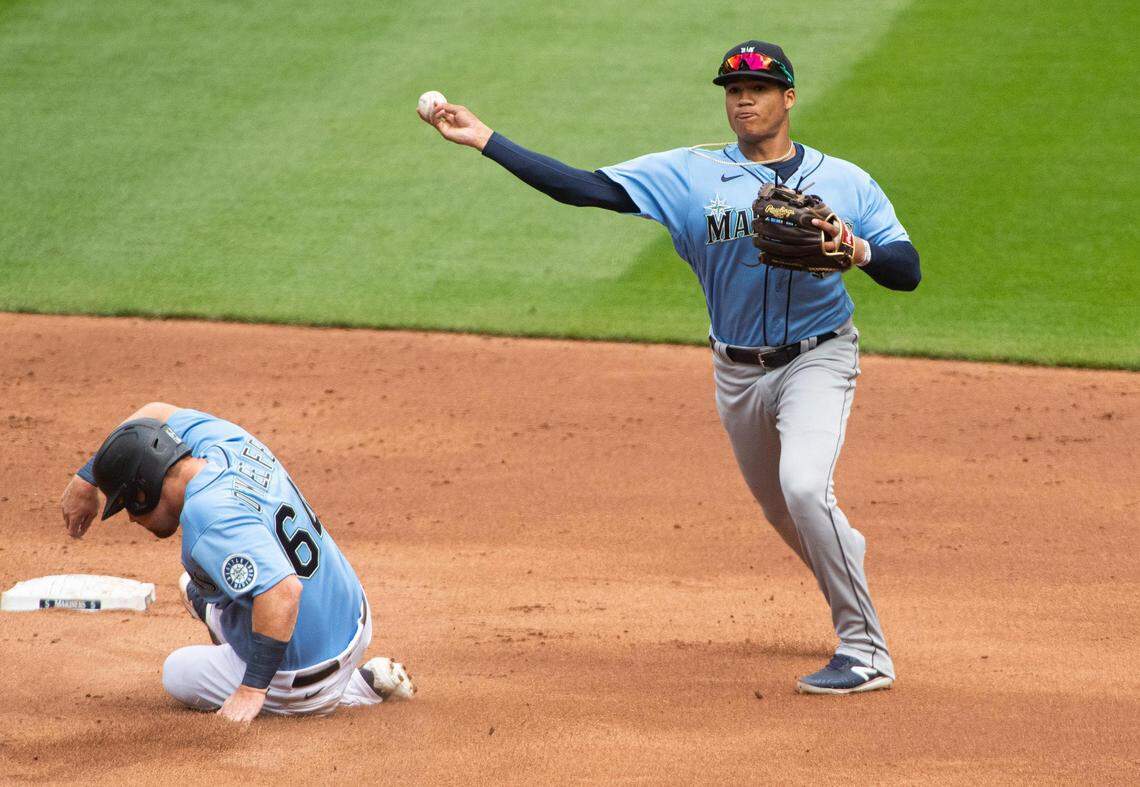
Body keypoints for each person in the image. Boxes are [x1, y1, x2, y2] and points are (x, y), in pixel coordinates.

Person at [426, 40, 920, 694]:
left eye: (760, 89)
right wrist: (487, 138)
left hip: (819, 357)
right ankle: (843, 557)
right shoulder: (687, 174)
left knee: (804, 488)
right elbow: (584, 188)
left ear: (789, 98)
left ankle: (865, 650)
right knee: (782, 510)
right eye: (733, 90)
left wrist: (855, 248)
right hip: (735, 372)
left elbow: (906, 270)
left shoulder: (845, 180)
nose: (744, 99)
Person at [59, 403, 416, 721]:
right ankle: (362, 679)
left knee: (179, 672)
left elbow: (283, 593)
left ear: (142, 492)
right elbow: (154, 411)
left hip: (307, 676)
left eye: (127, 507)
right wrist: (88, 477)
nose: (133, 520)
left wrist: (252, 690)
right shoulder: (227, 441)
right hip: (354, 616)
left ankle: (347, 692)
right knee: (201, 584)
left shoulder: (209, 516)